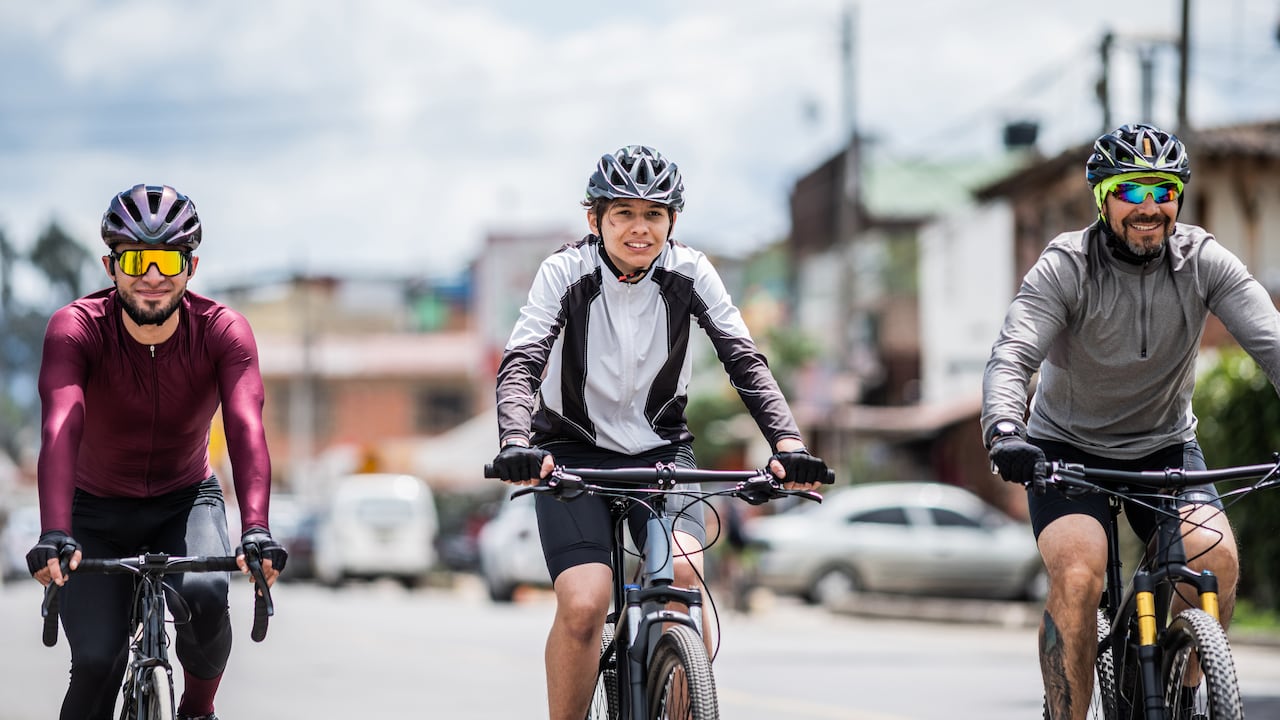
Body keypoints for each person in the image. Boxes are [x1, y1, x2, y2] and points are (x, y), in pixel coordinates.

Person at [491, 145, 829, 720]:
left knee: (685, 574)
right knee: (584, 604)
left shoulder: (691, 271)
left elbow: (744, 361)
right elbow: (522, 364)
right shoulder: (564, 271)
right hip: (572, 455)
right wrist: (516, 444)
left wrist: (789, 445)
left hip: (663, 454)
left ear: (673, 221)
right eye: (623, 213)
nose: (639, 228)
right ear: (595, 219)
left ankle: (678, 681)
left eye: (654, 214)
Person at [981, 123, 1278, 720]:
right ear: (1103, 199)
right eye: (1131, 192)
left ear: (1178, 198)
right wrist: (1005, 430)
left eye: (1163, 191)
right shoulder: (1066, 265)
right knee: (1079, 573)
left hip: (1165, 446)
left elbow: (1272, 341)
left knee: (1214, 560)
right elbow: (1012, 354)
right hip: (1065, 451)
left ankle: (1187, 692)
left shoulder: (1203, 260)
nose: (1149, 208)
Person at [26, 183, 288, 720]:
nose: (152, 276)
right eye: (136, 260)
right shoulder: (76, 329)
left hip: (184, 500)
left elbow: (244, 427)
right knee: (98, 664)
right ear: (110, 265)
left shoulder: (223, 331)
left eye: (167, 259)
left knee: (210, 598)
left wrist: (256, 528)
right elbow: (59, 426)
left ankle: (197, 709)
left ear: (191, 266)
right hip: (94, 508)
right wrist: (54, 531)